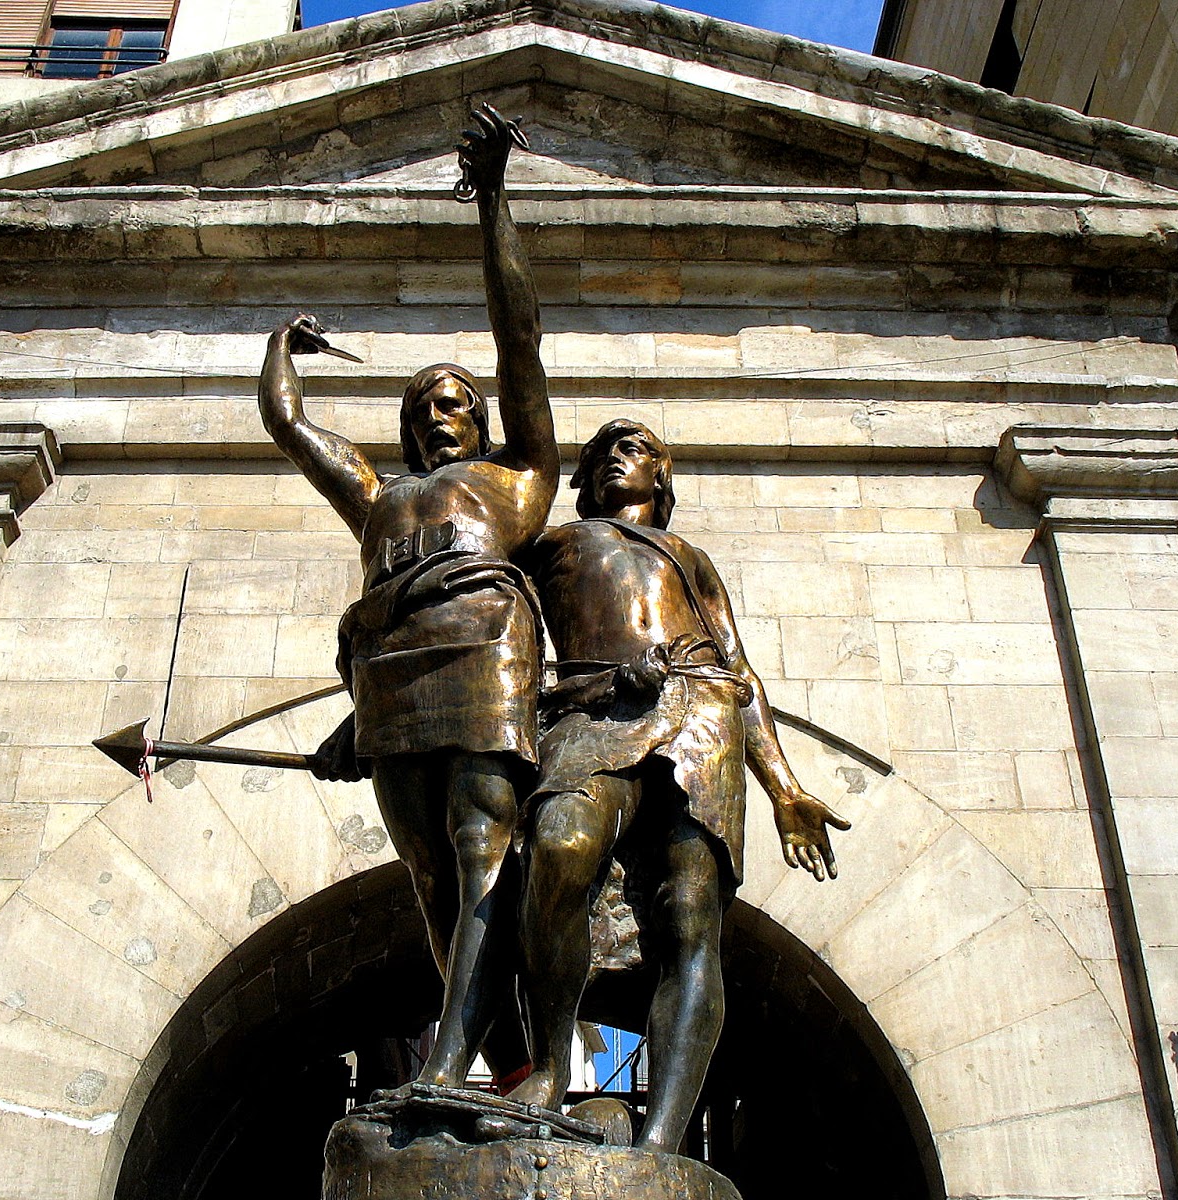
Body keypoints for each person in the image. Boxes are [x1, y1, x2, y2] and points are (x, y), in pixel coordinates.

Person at [257, 106, 556, 1088]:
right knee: (431, 878)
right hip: (389, 671)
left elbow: (519, 337)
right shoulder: (379, 498)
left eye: (455, 400)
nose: (438, 413)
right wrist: (280, 344)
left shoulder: (517, 479)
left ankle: (453, 1061)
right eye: (422, 406)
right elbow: (289, 424)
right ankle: (507, 1064)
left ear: (482, 418)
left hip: (484, 650)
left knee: (482, 850)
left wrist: (494, 200)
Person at [509, 419, 850, 1151]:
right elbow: (495, 642)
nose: (612, 460)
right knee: (559, 847)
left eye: (631, 449)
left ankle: (661, 1139)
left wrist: (785, 789)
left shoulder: (691, 558)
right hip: (595, 711)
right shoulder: (551, 546)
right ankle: (550, 1067)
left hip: (701, 715)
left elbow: (740, 672)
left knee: (690, 919)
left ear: (660, 473)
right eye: (598, 455)